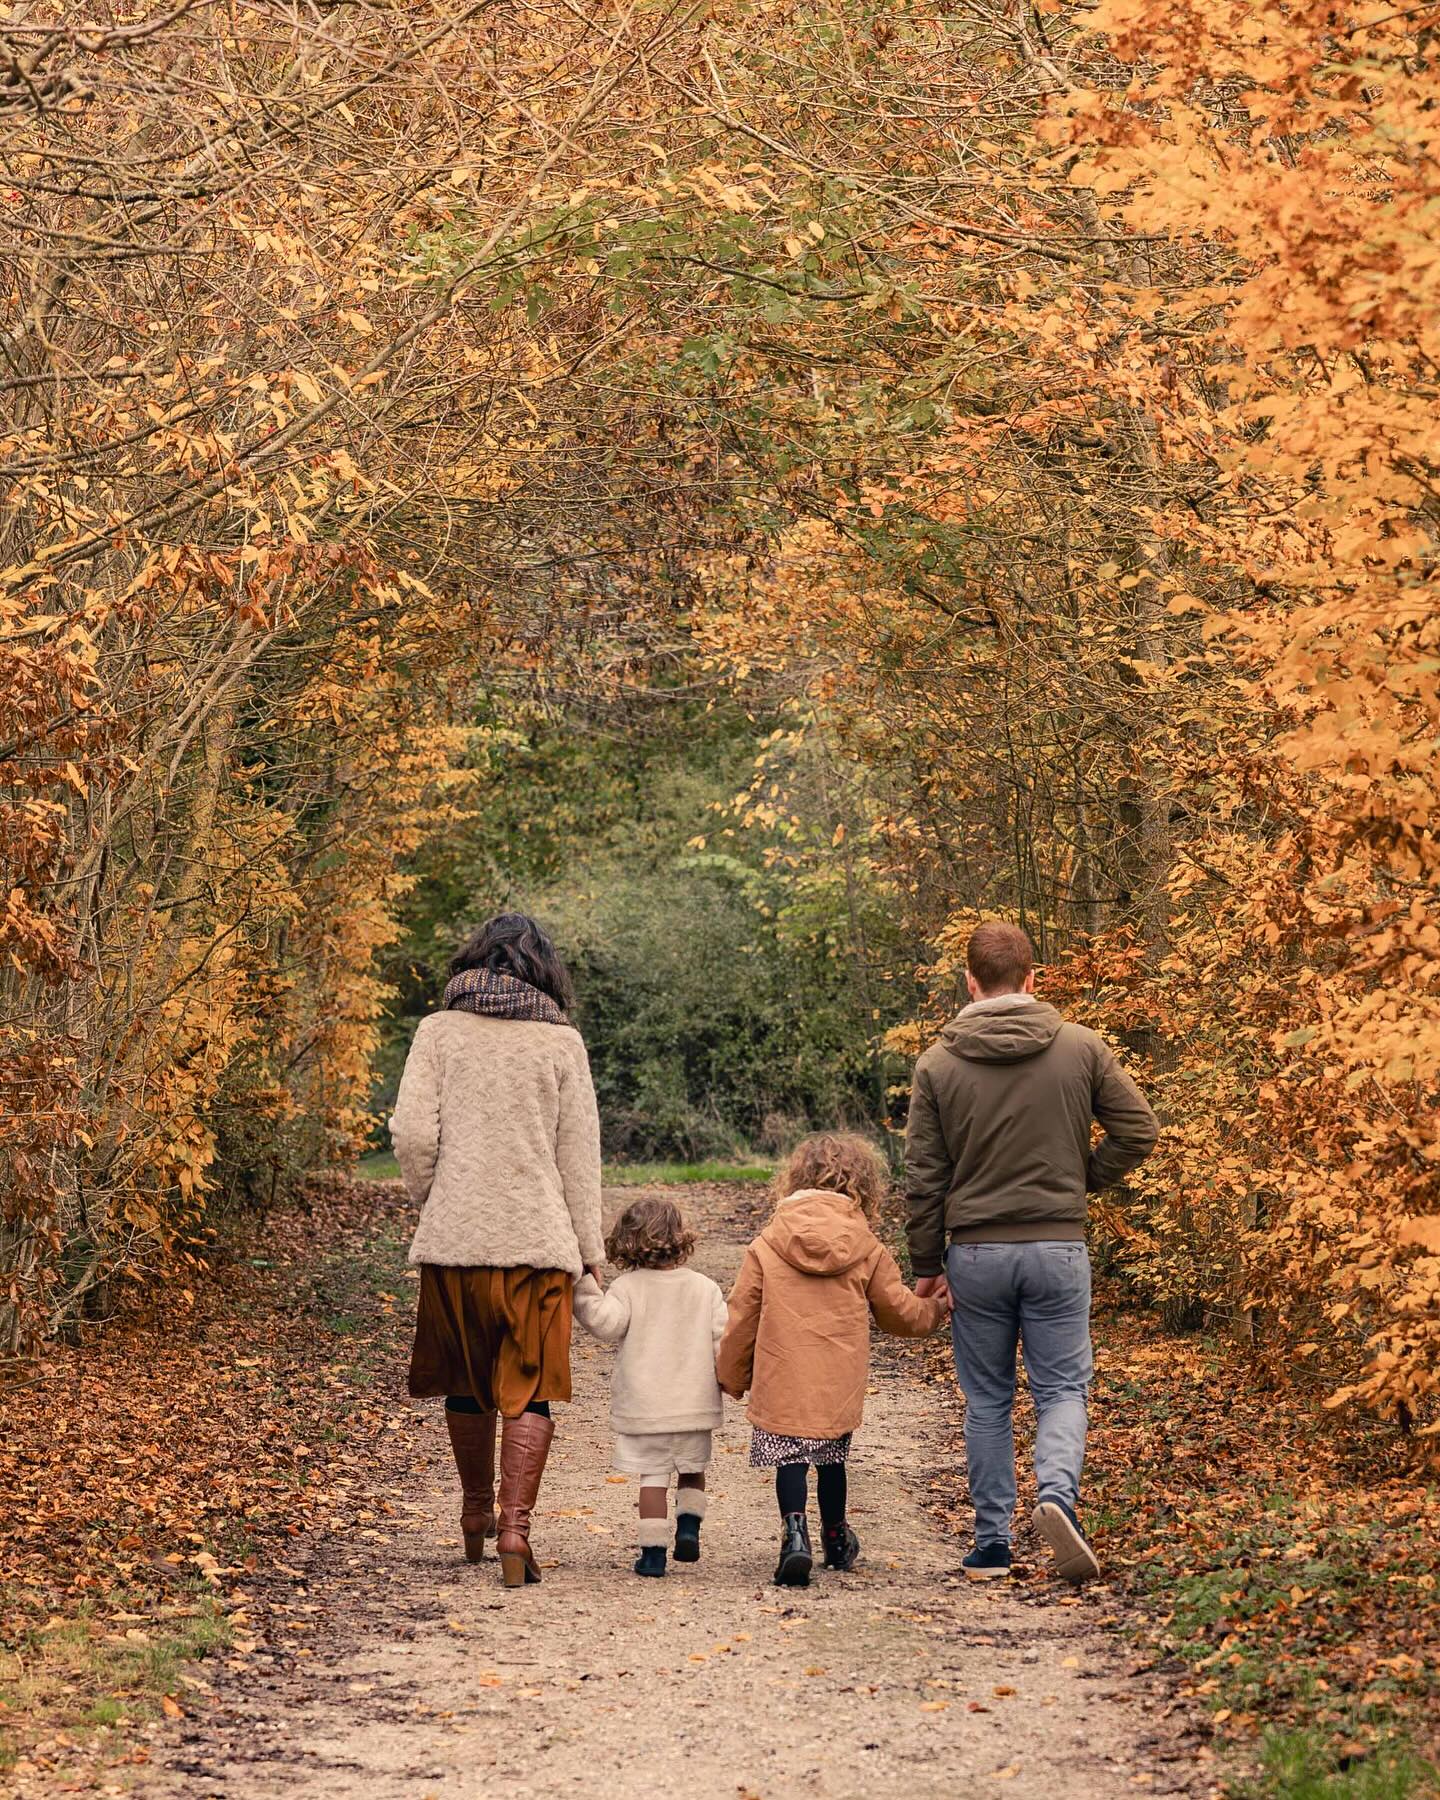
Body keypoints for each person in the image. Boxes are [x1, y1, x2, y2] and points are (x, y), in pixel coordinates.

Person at [905, 920, 1158, 1584]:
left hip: (977, 1255)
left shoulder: (937, 1064)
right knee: (1062, 1388)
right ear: (1034, 977)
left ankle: (991, 1543)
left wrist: (926, 1268)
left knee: (987, 1397)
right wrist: (1081, 1179)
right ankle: (1056, 1496)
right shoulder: (1081, 1048)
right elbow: (1139, 1129)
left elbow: (924, 1178)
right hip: (1057, 1247)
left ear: (969, 982)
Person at [392, 911, 603, 1589]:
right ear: (545, 969)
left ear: (473, 961)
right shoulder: (561, 1044)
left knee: (467, 1381)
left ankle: (475, 1513)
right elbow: (580, 1158)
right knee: (528, 1388)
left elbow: (412, 1134)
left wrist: (434, 1194)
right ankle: (516, 1529)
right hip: (536, 1246)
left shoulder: (437, 1032)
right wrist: (590, 1249)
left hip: (456, 1244)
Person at [716, 1132, 949, 1587]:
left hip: (782, 1373)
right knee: (831, 1460)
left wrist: (732, 1375)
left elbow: (741, 1317)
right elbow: (900, 1313)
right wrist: (936, 1307)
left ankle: (795, 1535)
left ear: (795, 1179)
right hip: (836, 1380)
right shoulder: (865, 1247)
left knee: (790, 1459)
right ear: (861, 1184)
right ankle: (837, 1537)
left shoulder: (768, 1243)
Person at [573, 1197, 728, 1578]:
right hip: (693, 1404)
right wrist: (733, 1380)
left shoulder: (627, 1288)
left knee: (654, 1478)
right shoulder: (704, 1288)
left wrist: (583, 1285)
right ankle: (689, 1526)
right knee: (693, 1469)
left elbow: (604, 1323)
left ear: (628, 1241)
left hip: (646, 1407)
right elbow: (723, 1341)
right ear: (680, 1238)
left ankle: (653, 1553)